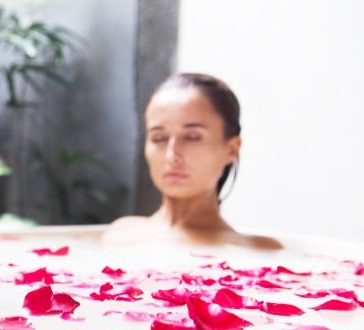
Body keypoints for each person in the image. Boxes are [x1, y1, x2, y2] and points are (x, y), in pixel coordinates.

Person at [101, 73, 282, 249]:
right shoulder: (120, 235)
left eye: (192, 137)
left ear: (232, 149)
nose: (172, 156)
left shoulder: (256, 252)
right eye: (159, 138)